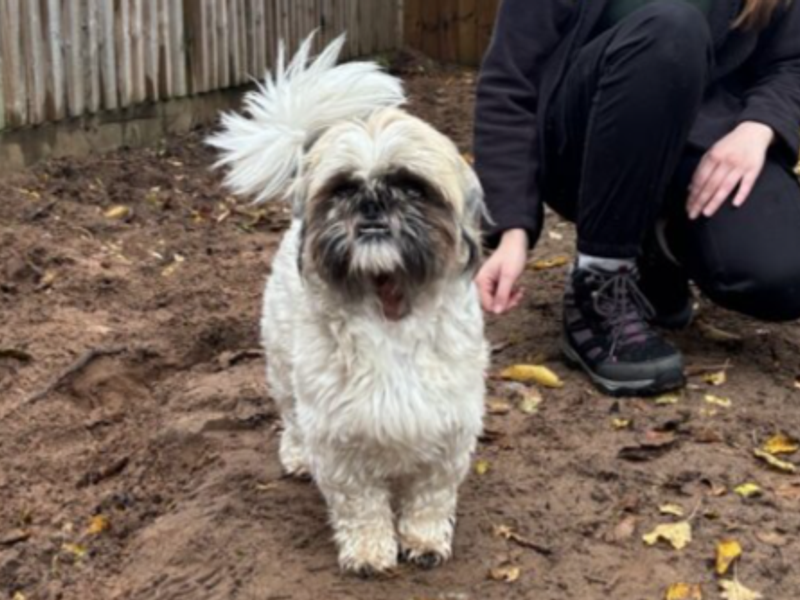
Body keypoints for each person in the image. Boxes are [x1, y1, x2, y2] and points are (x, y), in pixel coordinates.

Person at [473, 0, 800, 396]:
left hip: (701, 144)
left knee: (782, 276)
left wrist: (759, 126)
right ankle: (599, 282)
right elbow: (510, 82)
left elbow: (792, 61)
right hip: (584, 143)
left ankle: (657, 253)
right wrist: (513, 226)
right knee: (672, 26)